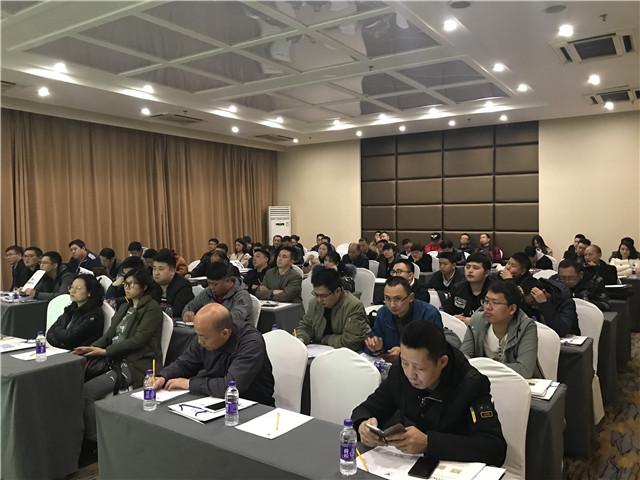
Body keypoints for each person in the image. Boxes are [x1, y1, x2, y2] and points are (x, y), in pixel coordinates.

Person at [352, 321, 506, 465]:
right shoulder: (399, 372)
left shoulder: (471, 384)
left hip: (452, 468)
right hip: (407, 465)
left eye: (419, 368)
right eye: (405, 363)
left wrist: (428, 443)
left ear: (442, 362)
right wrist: (363, 425)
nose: (410, 374)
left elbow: (494, 448)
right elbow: (366, 409)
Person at [73, 268, 163, 442]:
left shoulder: (152, 309)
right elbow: (108, 336)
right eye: (125, 284)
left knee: (87, 392)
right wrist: (90, 348)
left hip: (136, 363)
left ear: (144, 286)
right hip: (115, 358)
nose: (126, 287)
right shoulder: (125, 306)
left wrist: (106, 351)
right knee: (75, 381)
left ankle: (96, 441)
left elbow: (138, 340)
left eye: (131, 284)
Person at [155, 303, 275, 405]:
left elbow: (230, 386)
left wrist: (189, 384)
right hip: (214, 399)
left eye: (204, 337)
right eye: (198, 335)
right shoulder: (206, 334)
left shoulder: (251, 343)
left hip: (252, 405)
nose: (199, 341)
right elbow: (184, 363)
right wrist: (163, 377)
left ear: (224, 333)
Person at [461, 281, 542, 378]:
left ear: (512, 309)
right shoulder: (477, 320)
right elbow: (463, 359)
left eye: (495, 303)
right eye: (486, 301)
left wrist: (483, 366)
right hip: (484, 380)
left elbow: (524, 370)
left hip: (518, 382)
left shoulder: (526, 326)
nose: (488, 307)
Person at [365, 276, 442, 361]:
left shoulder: (429, 314)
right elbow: (373, 343)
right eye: (387, 298)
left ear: (411, 297)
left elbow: (436, 350)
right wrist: (375, 348)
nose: (392, 305)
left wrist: (405, 354)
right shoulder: (383, 313)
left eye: (398, 299)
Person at [295, 268, 370, 350]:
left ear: (337, 291)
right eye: (316, 294)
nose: (319, 300)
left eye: (323, 296)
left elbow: (352, 341)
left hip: (346, 353)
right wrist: (301, 338)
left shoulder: (353, 306)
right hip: (319, 351)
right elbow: (306, 326)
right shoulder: (314, 303)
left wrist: (325, 339)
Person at [47, 274, 105, 349]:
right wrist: (61, 343)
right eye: (71, 287)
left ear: (89, 292)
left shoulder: (94, 316)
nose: (72, 291)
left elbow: (70, 338)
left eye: (78, 288)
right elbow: (49, 333)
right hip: (62, 350)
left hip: (78, 354)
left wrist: (57, 332)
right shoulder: (71, 309)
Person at [182, 263, 252, 323]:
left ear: (227, 281)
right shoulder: (208, 291)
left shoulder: (242, 295)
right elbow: (191, 305)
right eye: (209, 283)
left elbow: (234, 318)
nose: (211, 287)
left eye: (215, 284)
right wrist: (188, 313)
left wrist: (204, 319)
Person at [443, 253, 493, 324]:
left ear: (486, 273)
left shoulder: (496, 291)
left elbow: (499, 316)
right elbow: (447, 309)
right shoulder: (457, 288)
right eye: (468, 267)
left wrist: (474, 321)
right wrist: (453, 317)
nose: (470, 271)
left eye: (475, 268)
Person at [151, 250, 194, 316]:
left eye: (161, 269)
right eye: (154, 269)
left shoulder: (183, 286)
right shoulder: (152, 284)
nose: (156, 273)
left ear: (172, 271)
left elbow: (176, 311)